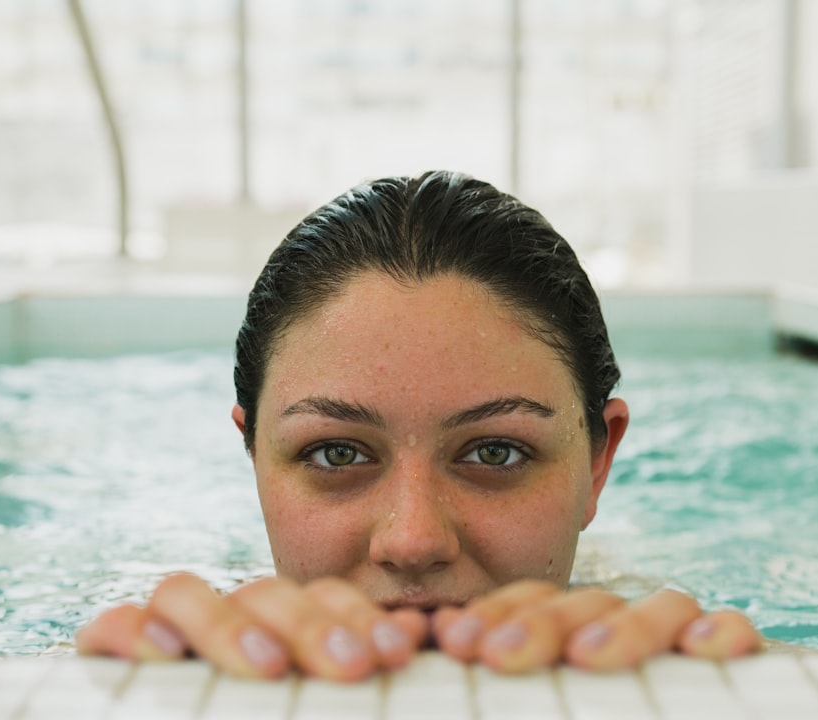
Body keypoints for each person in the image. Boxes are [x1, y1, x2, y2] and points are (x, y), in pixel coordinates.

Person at [76, 170, 760, 680]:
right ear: (254, 457)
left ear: (597, 462)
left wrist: (743, 681)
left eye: (496, 452)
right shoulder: (176, 639)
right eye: (336, 454)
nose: (413, 542)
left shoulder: (661, 638)